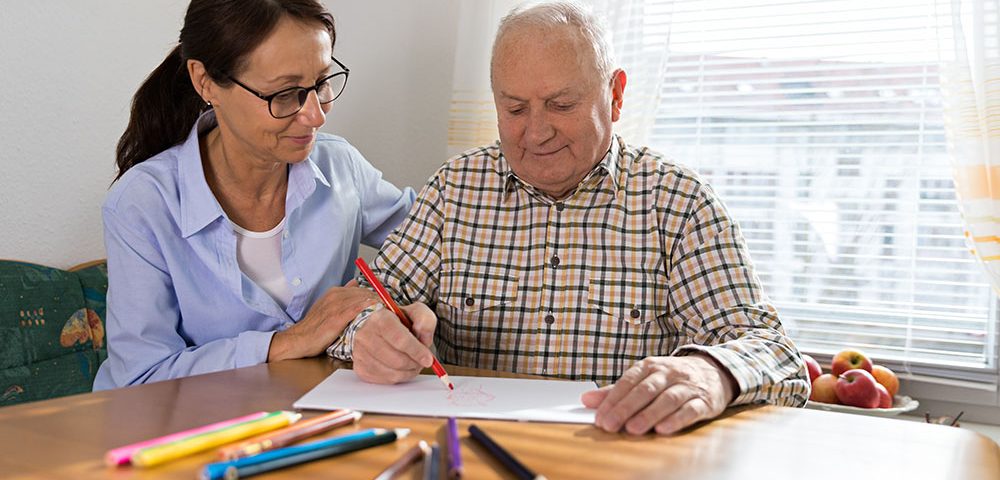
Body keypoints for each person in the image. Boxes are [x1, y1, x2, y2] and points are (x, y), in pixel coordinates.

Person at [329, 2, 809, 435]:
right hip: (470, 449)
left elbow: (776, 354)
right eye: (514, 108)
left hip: (615, 457)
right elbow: (362, 306)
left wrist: (712, 373)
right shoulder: (453, 190)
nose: (536, 132)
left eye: (561, 105)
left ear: (616, 95)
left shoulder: (678, 203)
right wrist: (368, 331)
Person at [93, 0, 415, 390]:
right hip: (178, 433)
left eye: (321, 83)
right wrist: (288, 342)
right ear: (205, 81)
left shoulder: (339, 166)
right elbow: (142, 377)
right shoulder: (144, 203)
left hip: (308, 420)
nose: (316, 115)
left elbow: (438, 241)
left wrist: (414, 312)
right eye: (285, 94)